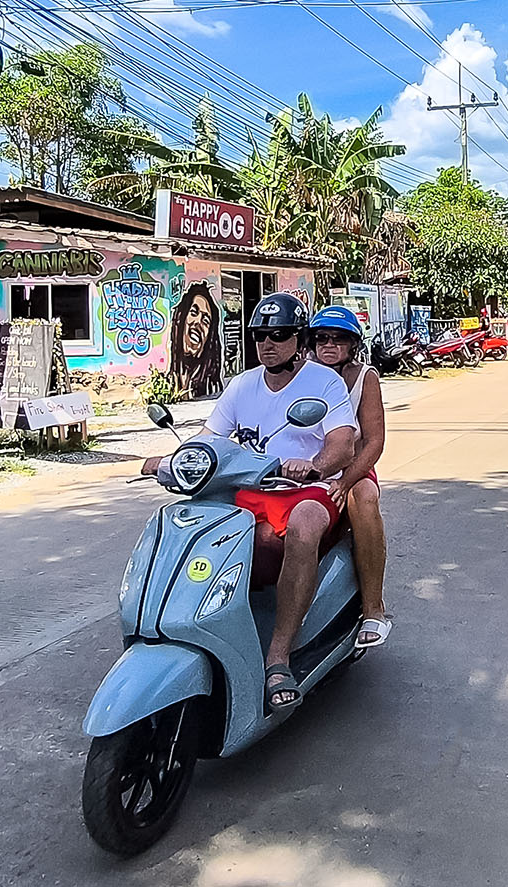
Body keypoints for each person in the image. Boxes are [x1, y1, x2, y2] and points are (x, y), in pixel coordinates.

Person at [146, 292, 355, 712]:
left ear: (299, 339)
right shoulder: (241, 385)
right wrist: (172, 459)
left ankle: (278, 656)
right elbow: (210, 438)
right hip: (249, 487)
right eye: (260, 334)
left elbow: (342, 443)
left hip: (305, 489)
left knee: (306, 522)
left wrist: (314, 464)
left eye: (278, 335)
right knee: (187, 522)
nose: (267, 344)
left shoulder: (324, 382)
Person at [306, 305, 391, 650]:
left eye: (339, 338)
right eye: (322, 338)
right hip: (306, 465)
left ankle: (373, 608)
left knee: (364, 498)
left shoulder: (364, 377)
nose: (329, 345)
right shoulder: (301, 374)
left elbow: (374, 441)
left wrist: (345, 481)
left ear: (353, 344)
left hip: (352, 468)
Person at [168, 282, 223, 398]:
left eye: (206, 321)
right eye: (194, 313)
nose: (198, 322)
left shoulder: (210, 387)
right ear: (181, 318)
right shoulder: (167, 381)